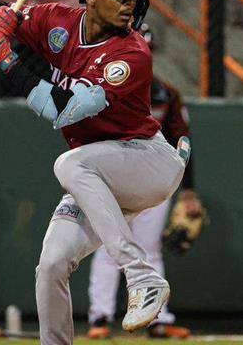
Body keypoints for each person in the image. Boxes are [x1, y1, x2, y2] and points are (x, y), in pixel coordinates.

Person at [0, 0, 188, 344]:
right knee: (52, 264)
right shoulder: (56, 20)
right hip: (101, 172)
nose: (130, 4)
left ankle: (142, 276)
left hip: (145, 161)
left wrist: (7, 59)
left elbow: (65, 111)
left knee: (69, 164)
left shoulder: (132, 53)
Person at [86, 24, 201, 340]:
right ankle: (100, 318)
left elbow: (183, 140)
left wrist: (188, 190)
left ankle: (158, 318)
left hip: (154, 181)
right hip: (115, 180)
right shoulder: (103, 88)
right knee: (110, 249)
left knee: (149, 251)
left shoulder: (167, 93)